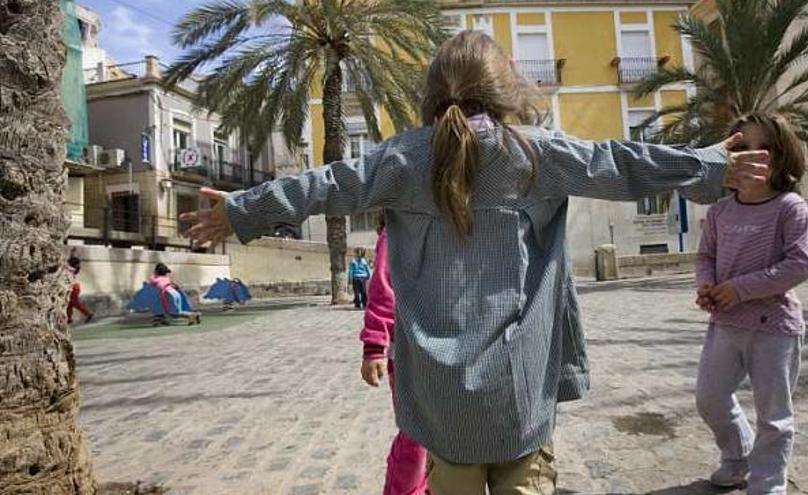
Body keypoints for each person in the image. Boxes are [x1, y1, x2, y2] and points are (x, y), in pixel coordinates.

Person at [181, 30, 770, 495]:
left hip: (440, 394)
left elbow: (328, 183)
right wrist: (711, 166)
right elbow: (622, 163)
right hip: (518, 386)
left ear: (433, 91)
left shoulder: (400, 159)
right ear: (505, 88)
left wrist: (243, 210)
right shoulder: (536, 153)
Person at [694, 113, 808, 495]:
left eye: (762, 148)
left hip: (774, 327)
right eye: (740, 148)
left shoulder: (789, 207)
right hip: (725, 324)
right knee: (710, 398)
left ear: (782, 156)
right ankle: (737, 457)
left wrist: (740, 289)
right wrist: (707, 284)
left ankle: (767, 483)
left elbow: (800, 264)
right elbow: (705, 257)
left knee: (774, 416)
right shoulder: (719, 212)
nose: (751, 157)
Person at [360, 214, 430, 495]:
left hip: (448, 353)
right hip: (408, 355)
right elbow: (383, 287)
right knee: (416, 437)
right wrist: (375, 345)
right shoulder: (398, 229)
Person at [66, 254, 94, 324]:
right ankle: (69, 318)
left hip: (74, 288)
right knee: (69, 304)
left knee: (74, 303)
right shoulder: (73, 269)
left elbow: (67, 267)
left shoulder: (72, 269)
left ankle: (88, 313)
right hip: (73, 288)